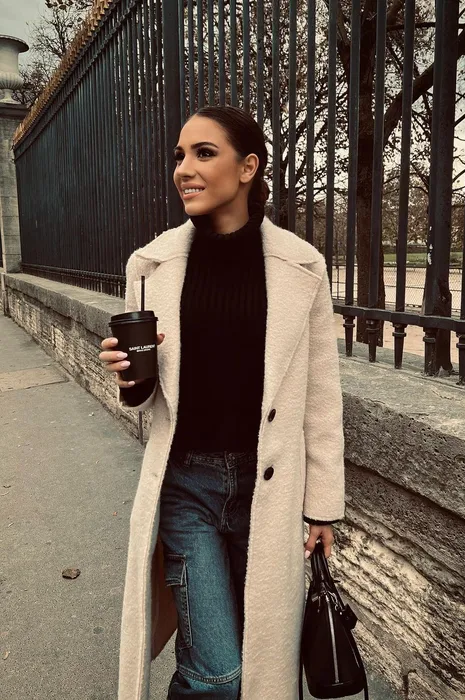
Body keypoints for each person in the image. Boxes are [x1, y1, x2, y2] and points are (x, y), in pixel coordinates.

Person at [98, 105, 345, 700]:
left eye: (204, 153)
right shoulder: (151, 265)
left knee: (260, 669)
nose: (183, 168)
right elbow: (145, 396)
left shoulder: (301, 266)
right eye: (179, 156)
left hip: (269, 491)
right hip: (188, 487)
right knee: (219, 672)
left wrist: (322, 508)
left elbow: (321, 396)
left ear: (248, 167)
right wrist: (127, 376)